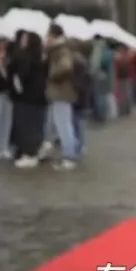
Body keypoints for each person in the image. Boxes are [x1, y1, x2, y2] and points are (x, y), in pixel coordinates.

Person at [8, 31, 47, 168]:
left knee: (25, 126)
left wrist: (17, 92)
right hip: (39, 97)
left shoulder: (24, 57)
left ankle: (29, 154)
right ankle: (35, 150)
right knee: (36, 125)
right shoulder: (40, 57)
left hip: (26, 98)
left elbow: (20, 78)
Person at [45, 24, 82, 170]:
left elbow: (65, 67)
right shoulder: (63, 48)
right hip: (62, 92)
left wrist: (52, 74)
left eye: (48, 35)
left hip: (61, 92)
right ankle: (70, 152)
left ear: (53, 35)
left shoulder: (61, 50)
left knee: (63, 125)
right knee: (61, 124)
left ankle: (69, 156)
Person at [88, 36, 114, 123]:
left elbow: (95, 63)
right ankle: (104, 114)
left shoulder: (97, 48)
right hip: (106, 75)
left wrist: (92, 73)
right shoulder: (106, 48)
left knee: (99, 96)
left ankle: (100, 115)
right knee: (104, 96)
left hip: (99, 75)